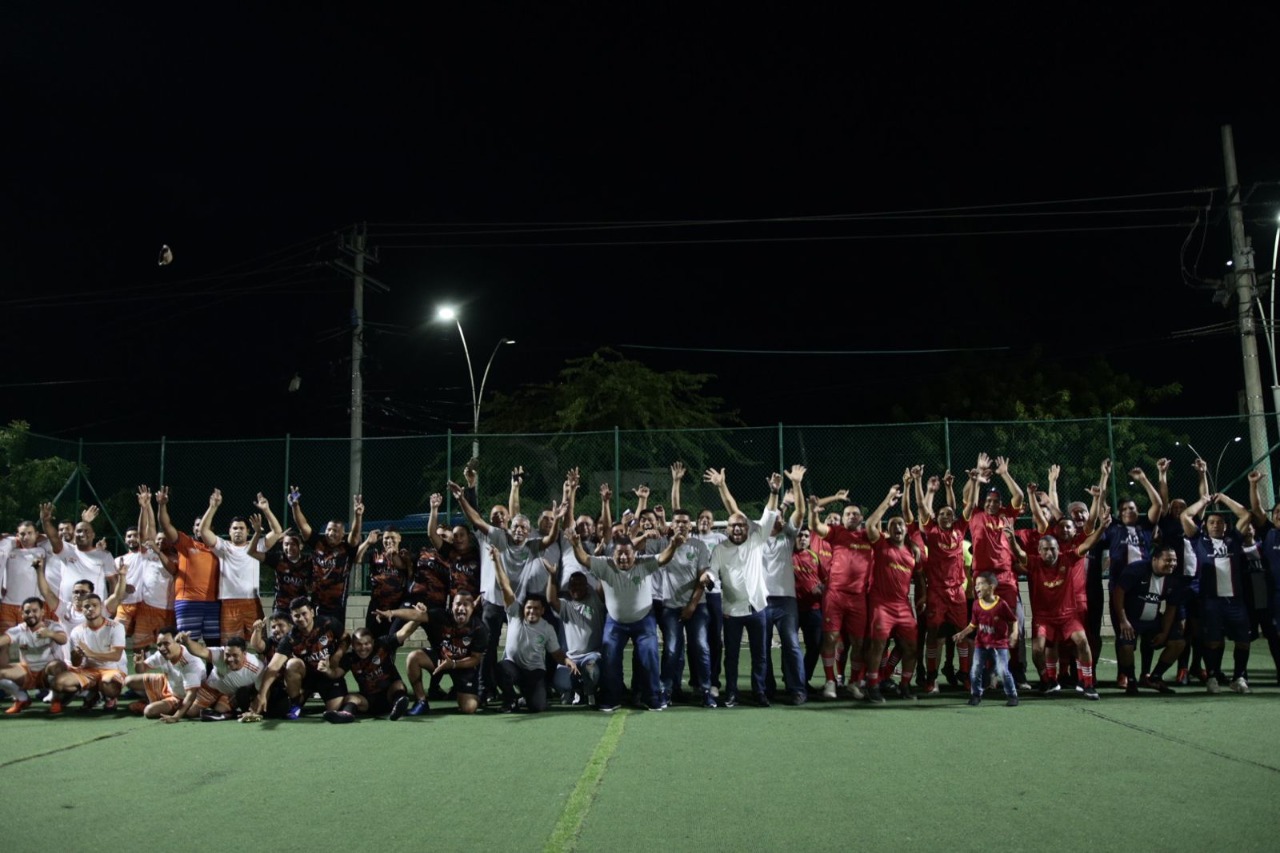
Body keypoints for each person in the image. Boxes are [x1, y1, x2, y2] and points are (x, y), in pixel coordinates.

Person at [569, 524, 684, 712]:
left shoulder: (643, 563)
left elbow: (663, 558)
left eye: (627, 553)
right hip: (615, 622)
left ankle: (652, 697)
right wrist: (575, 545)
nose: (623, 557)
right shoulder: (605, 564)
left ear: (634, 554)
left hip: (643, 620)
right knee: (610, 659)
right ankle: (611, 698)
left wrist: (673, 545)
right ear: (613, 554)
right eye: (619, 553)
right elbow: (583, 558)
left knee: (649, 657)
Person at [701, 470, 781, 708]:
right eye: (733, 526)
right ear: (727, 529)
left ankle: (759, 692)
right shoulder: (719, 550)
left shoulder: (757, 539)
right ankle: (732, 693)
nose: (737, 529)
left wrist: (774, 492)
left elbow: (769, 515)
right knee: (732, 657)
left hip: (758, 608)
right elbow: (712, 572)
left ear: (748, 528)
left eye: (741, 526)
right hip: (731, 612)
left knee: (761, 655)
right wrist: (707, 577)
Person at [1008, 525, 1105, 700]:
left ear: (1058, 549)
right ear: (1039, 550)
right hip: (1043, 618)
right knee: (1038, 650)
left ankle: (1088, 684)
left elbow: (1088, 544)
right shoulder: (1034, 562)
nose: (1049, 553)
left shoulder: (1067, 558)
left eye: (1052, 549)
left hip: (1069, 615)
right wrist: (1011, 540)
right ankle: (1047, 681)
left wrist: (1103, 526)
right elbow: (1020, 554)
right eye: (1045, 549)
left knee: (1082, 641)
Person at [1181, 492, 1254, 693]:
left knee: (1243, 641)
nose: (1216, 525)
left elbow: (1246, 515)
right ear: (1205, 525)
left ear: (1225, 526)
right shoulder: (1199, 541)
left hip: (1235, 601)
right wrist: (1204, 501)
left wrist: (1223, 498)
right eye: (1212, 522)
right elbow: (1185, 516)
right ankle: (1212, 676)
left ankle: (1239, 677)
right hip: (1211, 601)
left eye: (1220, 522)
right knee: (1213, 641)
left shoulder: (1233, 540)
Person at [489, 546, 577, 713]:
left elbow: (556, 653)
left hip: (534, 671)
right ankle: (510, 700)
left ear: (542, 611)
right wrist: (496, 561)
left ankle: (526, 697)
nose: (532, 611)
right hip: (513, 667)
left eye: (536, 608)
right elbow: (504, 586)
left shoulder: (547, 628)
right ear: (524, 608)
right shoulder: (515, 613)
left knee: (538, 707)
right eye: (529, 608)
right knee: (500, 668)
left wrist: (567, 661)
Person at [861, 485, 924, 703]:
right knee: (878, 644)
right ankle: (872, 685)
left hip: (903, 606)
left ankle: (905, 684)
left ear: (906, 531)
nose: (898, 526)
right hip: (881, 604)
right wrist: (888, 501)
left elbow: (920, 578)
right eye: (893, 524)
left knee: (911, 647)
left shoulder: (911, 553)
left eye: (901, 524)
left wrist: (923, 595)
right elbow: (870, 524)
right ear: (889, 530)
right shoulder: (881, 545)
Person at [807, 494, 873, 700]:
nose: (851, 516)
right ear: (842, 518)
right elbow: (815, 526)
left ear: (861, 518)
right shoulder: (836, 533)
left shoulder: (869, 536)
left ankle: (854, 683)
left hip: (859, 597)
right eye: (847, 514)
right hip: (835, 595)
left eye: (855, 514)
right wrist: (812, 511)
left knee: (858, 642)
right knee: (831, 638)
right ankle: (830, 682)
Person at [383, 589, 488, 715]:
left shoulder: (479, 628)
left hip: (463, 666)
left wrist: (453, 664)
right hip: (441, 659)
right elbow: (416, 615)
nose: (461, 608)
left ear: (472, 607)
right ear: (452, 605)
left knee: (469, 708)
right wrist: (392, 612)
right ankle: (421, 701)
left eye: (466, 604)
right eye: (458, 604)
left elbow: (475, 659)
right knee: (413, 657)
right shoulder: (442, 615)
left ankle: (470, 693)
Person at [915, 473, 970, 693]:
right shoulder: (932, 532)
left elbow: (969, 504)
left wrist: (958, 485)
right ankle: (931, 678)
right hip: (936, 592)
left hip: (957, 592)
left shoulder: (960, 529)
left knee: (961, 634)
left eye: (949, 514)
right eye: (942, 514)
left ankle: (965, 675)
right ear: (936, 517)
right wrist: (920, 482)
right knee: (933, 635)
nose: (946, 516)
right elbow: (920, 505)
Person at [250, 596, 349, 719]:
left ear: (312, 612)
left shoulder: (329, 623)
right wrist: (262, 694)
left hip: (327, 674)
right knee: (293, 664)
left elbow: (346, 638)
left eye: (304, 614)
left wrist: (338, 655)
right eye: (296, 616)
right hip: (306, 677)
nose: (301, 618)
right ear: (292, 617)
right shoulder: (290, 638)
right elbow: (273, 666)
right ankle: (296, 704)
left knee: (335, 709)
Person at [654, 508, 713, 707]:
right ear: (672, 525)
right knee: (671, 650)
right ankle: (666, 691)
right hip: (670, 606)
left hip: (697, 606)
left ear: (690, 525)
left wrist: (691, 606)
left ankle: (707, 691)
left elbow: (702, 578)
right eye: (677, 521)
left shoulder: (699, 546)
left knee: (701, 647)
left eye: (685, 522)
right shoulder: (663, 544)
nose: (681, 525)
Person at [1112, 546, 1187, 694]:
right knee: (1125, 646)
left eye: (1174, 560)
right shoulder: (1136, 570)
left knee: (1178, 643)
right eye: (1168, 560)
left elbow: (1171, 608)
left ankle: (1155, 677)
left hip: (1152, 621)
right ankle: (1131, 680)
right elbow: (1118, 592)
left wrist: (1165, 633)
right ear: (1155, 559)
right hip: (1131, 620)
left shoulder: (1173, 579)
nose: (1172, 564)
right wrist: (1123, 621)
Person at [199, 490, 270, 641]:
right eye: (235, 528)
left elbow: (277, 532)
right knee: (230, 646)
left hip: (252, 601)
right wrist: (213, 507)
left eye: (242, 528)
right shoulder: (223, 547)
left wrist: (266, 510)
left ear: (248, 531)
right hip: (228, 602)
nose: (238, 531)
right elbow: (203, 531)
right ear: (229, 532)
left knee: (261, 643)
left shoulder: (256, 546)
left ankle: (263, 665)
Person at [156, 486, 222, 643]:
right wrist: (162, 505)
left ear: (210, 528)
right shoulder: (186, 543)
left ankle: (210, 669)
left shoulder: (219, 548)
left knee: (214, 646)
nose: (199, 528)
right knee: (186, 645)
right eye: (196, 525)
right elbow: (166, 526)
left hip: (213, 603)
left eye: (203, 524)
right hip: (188, 602)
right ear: (193, 528)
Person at [290, 489, 363, 625]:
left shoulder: (346, 548)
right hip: (316, 601)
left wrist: (358, 516)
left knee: (335, 636)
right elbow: (303, 525)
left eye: (335, 530)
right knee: (315, 636)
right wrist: (295, 506)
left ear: (342, 534)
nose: (330, 533)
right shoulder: (318, 543)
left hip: (337, 603)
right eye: (329, 529)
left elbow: (355, 536)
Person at [51, 591, 127, 712]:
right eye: (86, 606)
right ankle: (90, 693)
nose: (90, 609)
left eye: (94, 605)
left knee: (107, 685)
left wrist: (91, 654)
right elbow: (75, 663)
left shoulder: (116, 627)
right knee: (58, 683)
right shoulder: (77, 631)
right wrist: (77, 654)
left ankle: (109, 699)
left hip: (112, 669)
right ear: (82, 609)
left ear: (101, 607)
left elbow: (116, 656)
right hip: (89, 670)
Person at [953, 572, 1020, 707]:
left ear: (991, 587)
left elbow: (1014, 620)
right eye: (975, 584)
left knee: (1002, 670)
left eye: (980, 584)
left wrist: (1014, 634)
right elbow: (973, 625)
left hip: (999, 644)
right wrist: (962, 633)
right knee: (976, 669)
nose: (976, 587)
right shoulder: (976, 605)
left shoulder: (1001, 604)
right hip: (981, 644)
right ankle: (976, 694)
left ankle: (1012, 695)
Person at [320, 627, 410, 723]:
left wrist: (418, 618)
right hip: (368, 702)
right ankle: (346, 715)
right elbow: (336, 674)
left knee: (398, 685)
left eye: (367, 644)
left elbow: (405, 632)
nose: (363, 648)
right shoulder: (350, 658)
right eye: (358, 644)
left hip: (390, 696)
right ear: (353, 646)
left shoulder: (383, 644)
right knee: (350, 697)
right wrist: (327, 670)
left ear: (373, 642)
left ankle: (398, 707)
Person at [547, 561, 604, 707]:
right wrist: (552, 576)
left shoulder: (595, 601)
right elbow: (551, 600)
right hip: (570, 658)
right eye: (573, 585)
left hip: (591, 655)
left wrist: (599, 564)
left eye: (579, 584)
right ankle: (574, 690)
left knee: (591, 671)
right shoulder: (566, 605)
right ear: (569, 588)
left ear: (587, 587)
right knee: (561, 683)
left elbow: (601, 587)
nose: (576, 588)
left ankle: (589, 691)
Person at [0, 597, 68, 714]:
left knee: (57, 666)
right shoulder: (18, 630)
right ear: (22, 614)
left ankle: (56, 699)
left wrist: (50, 634)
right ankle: (22, 698)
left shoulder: (52, 626)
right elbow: (3, 640)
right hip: (27, 671)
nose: (31, 614)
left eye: (34, 611)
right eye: (27, 612)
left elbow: (63, 640)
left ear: (42, 612)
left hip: (47, 671)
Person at [124, 626, 206, 721]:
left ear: (178, 642)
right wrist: (138, 664)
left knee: (149, 711)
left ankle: (154, 704)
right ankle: (154, 700)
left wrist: (176, 717)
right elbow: (141, 670)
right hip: (169, 683)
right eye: (159, 645)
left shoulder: (191, 662)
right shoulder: (162, 653)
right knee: (129, 680)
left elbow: (191, 694)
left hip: (184, 696)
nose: (162, 648)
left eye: (166, 643)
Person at [177, 633, 265, 721]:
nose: (230, 659)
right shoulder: (219, 653)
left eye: (235, 655)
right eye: (227, 655)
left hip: (231, 694)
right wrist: (187, 641)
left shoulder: (256, 667)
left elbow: (261, 691)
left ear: (244, 653)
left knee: (220, 709)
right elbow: (200, 650)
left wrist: (254, 709)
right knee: (190, 712)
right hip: (211, 688)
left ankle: (229, 713)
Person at [358, 527, 408, 637]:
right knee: (371, 638)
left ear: (399, 538)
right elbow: (358, 558)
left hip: (396, 608)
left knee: (391, 641)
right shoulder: (376, 555)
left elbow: (405, 567)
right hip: (376, 606)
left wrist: (394, 555)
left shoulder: (405, 555)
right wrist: (367, 542)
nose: (389, 540)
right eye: (386, 538)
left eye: (392, 537)